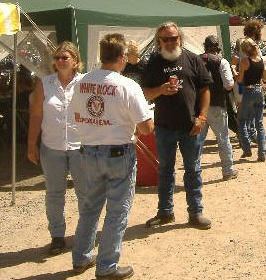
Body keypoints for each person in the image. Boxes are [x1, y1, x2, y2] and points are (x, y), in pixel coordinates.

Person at [71, 33, 154, 279]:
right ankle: (107, 265)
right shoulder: (128, 85)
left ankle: (81, 257)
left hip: (89, 150)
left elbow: (76, 115)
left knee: (89, 207)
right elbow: (146, 127)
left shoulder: (81, 82)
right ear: (122, 57)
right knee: (117, 211)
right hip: (118, 152)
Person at [142, 22, 212, 229]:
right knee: (165, 171)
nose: (171, 42)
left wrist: (202, 117)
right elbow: (144, 93)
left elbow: (205, 89)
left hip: (191, 126)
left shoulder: (193, 58)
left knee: (193, 170)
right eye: (167, 39)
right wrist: (161, 90)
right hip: (164, 127)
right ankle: (165, 212)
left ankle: (195, 213)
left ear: (180, 38)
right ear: (159, 41)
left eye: (175, 38)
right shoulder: (153, 62)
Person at [27, 41, 84, 255]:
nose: (60, 61)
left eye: (65, 57)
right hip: (52, 146)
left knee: (85, 193)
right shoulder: (44, 83)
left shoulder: (84, 83)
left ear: (75, 61)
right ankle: (57, 236)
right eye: (58, 58)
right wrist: (31, 144)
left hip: (80, 146)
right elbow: (36, 114)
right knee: (54, 193)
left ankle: (84, 233)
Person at [200, 35, 238, 181]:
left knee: (197, 142)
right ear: (218, 47)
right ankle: (228, 171)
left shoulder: (195, 60)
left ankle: (193, 172)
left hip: (199, 107)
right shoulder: (221, 61)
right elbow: (229, 84)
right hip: (217, 104)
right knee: (223, 139)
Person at [237, 38, 266, 162]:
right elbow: (264, 77)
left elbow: (239, 80)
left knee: (242, 120)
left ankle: (247, 148)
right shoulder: (261, 60)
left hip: (248, 91)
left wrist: (235, 72)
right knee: (259, 123)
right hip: (259, 91)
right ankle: (262, 152)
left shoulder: (245, 61)